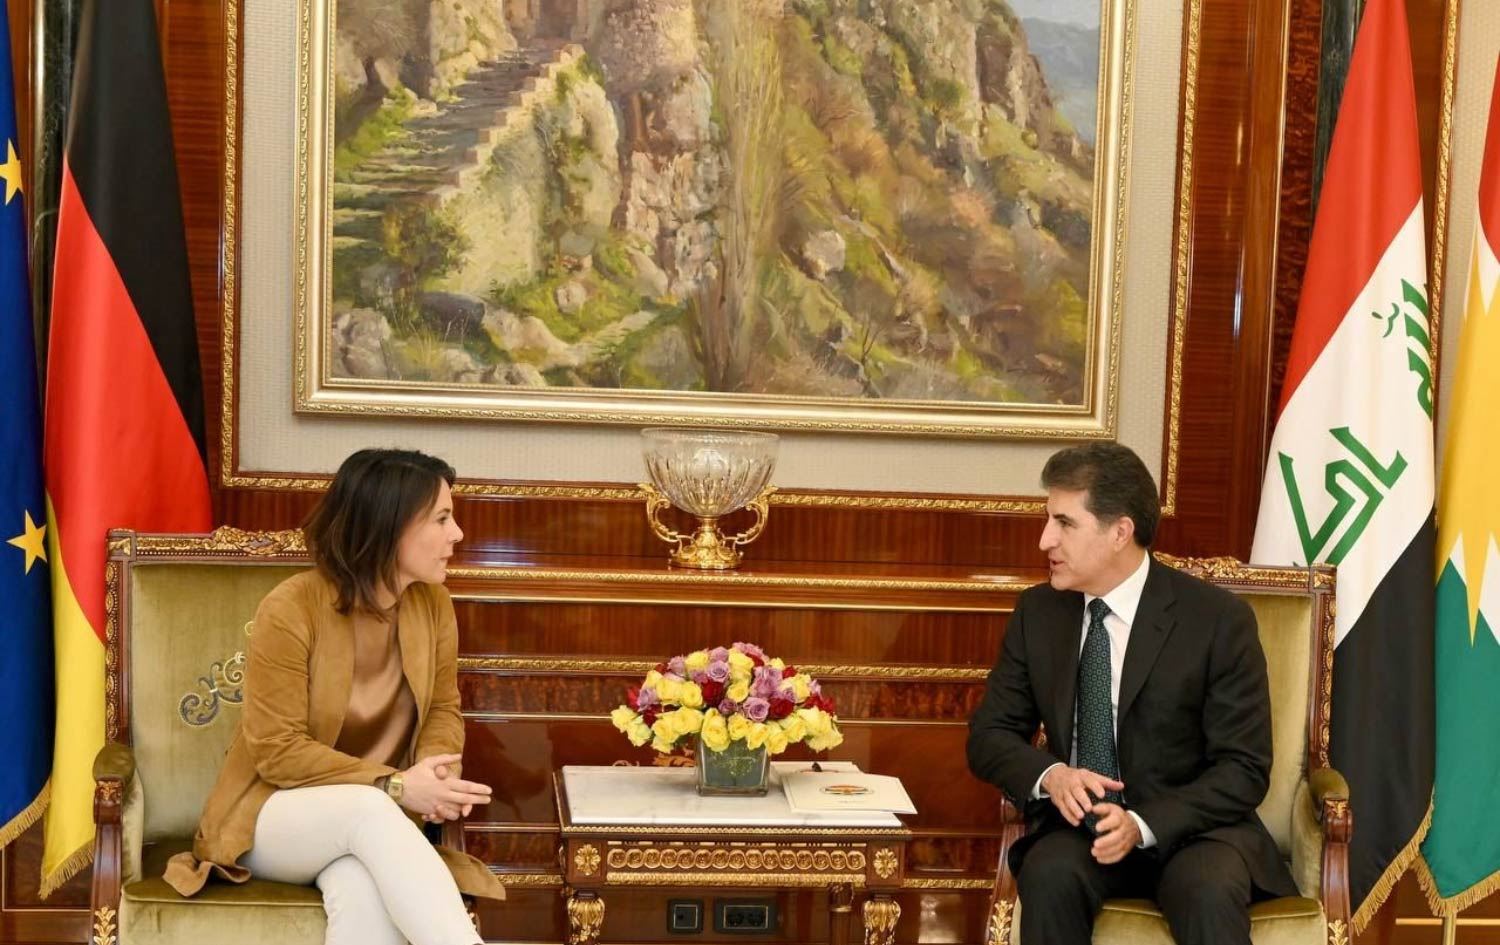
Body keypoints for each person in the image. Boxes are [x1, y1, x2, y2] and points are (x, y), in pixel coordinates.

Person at [165, 448, 505, 945]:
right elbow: (277, 750)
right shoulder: (291, 607)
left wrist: (435, 771)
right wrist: (395, 785)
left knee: (360, 890)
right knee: (367, 810)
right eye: (441, 518)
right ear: (390, 525)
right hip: (271, 815)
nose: (457, 533)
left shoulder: (433, 604)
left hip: (374, 824)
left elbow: (441, 708)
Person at [966, 443, 1296, 945]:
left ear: (1120, 532)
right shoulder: (1039, 613)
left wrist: (1142, 824)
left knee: (1207, 890)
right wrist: (1052, 776)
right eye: (1048, 519)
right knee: (1049, 873)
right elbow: (989, 736)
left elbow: (1244, 768)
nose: (1044, 539)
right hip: (1083, 831)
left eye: (1064, 523)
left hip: (1194, 831)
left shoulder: (1216, 620)